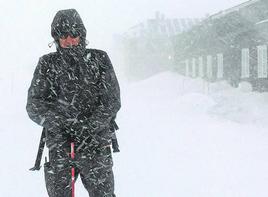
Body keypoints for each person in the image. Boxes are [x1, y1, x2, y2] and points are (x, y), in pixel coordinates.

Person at [26, 9, 121, 197]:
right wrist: (63, 124)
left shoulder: (99, 59)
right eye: (63, 36)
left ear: (82, 35)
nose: (69, 40)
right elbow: (34, 104)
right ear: (56, 37)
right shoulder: (47, 64)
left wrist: (89, 126)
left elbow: (111, 101)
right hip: (60, 146)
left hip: (95, 144)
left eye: (74, 35)